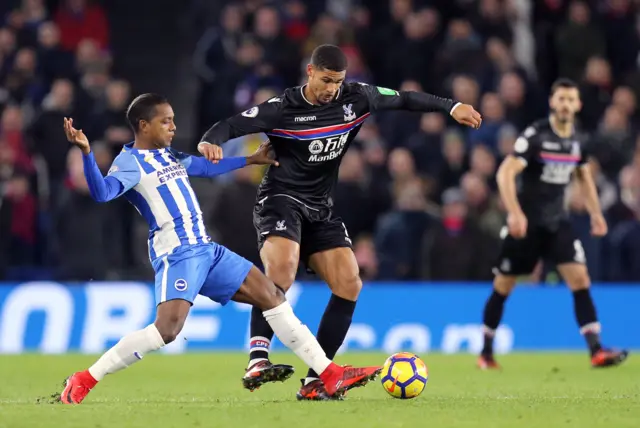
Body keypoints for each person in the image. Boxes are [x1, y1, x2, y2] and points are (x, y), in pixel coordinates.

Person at [197, 44, 482, 400]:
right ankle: (258, 357)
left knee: (349, 283)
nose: (332, 88)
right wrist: (211, 141)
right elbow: (230, 125)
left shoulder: (357, 98)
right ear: (311, 73)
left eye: (339, 81)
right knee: (282, 272)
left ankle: (317, 379)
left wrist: (451, 106)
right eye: (327, 80)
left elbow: (406, 99)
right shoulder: (282, 107)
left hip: (320, 206)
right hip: (280, 199)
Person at [58, 93, 381, 405]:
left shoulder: (168, 155)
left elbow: (204, 168)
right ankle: (85, 378)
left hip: (207, 250)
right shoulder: (129, 163)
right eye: (166, 121)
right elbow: (102, 193)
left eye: (173, 120)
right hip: (178, 254)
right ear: (144, 125)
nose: (173, 127)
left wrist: (251, 159)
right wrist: (87, 153)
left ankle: (329, 374)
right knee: (167, 331)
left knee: (272, 296)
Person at [477, 78, 629, 369]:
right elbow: (505, 173)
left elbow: (584, 176)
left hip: (557, 223)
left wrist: (596, 214)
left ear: (578, 105)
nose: (566, 105)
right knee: (504, 284)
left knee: (580, 279)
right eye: (561, 99)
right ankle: (485, 352)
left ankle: (596, 350)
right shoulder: (536, 135)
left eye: (571, 100)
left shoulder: (578, 140)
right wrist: (515, 212)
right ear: (552, 102)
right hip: (527, 224)